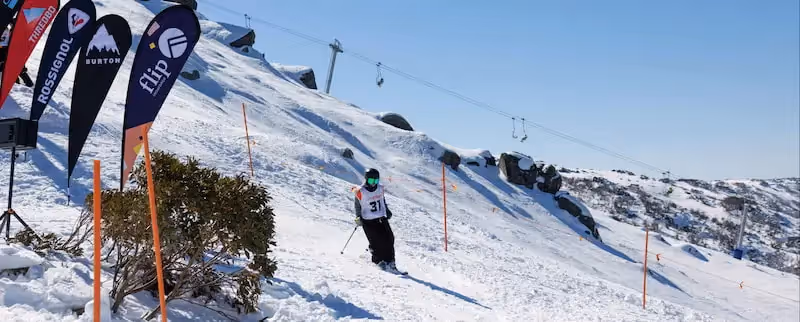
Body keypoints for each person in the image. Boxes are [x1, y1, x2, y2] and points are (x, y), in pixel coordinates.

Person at [354, 168, 402, 273]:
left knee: (389, 238)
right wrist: (358, 217)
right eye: (371, 181)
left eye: (376, 180)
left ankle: (390, 262)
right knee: (376, 242)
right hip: (368, 220)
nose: (374, 183)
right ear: (366, 179)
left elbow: (382, 199)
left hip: (381, 217)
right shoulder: (360, 191)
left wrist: (387, 210)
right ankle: (378, 261)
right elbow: (357, 205)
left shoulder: (380, 188)